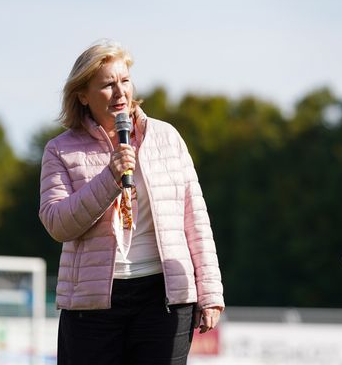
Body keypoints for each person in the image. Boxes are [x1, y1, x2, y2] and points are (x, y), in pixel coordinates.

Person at [39, 39, 224, 365]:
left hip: (164, 298)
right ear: (83, 95)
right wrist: (110, 177)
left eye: (124, 81)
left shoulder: (167, 137)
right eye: (107, 85)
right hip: (92, 305)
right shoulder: (60, 150)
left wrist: (209, 293)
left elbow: (195, 218)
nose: (120, 92)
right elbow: (57, 223)